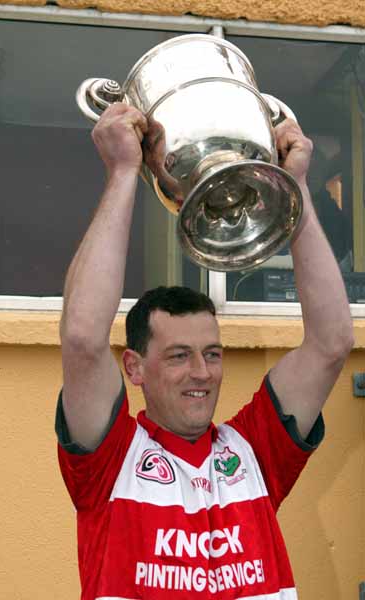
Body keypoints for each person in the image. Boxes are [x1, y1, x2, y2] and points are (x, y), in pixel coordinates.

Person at [55, 102, 354, 599]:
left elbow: (331, 342)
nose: (202, 373)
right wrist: (125, 171)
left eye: (211, 354)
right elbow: (84, 340)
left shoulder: (252, 450)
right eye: (178, 356)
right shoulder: (111, 461)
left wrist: (295, 185)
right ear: (135, 367)